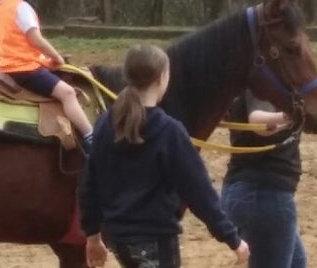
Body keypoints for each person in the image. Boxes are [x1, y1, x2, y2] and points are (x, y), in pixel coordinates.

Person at [78, 44, 250, 268]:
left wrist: (92, 235)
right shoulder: (169, 131)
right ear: (161, 78)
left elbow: (88, 184)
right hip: (156, 244)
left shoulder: (105, 124)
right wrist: (233, 239)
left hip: (119, 241)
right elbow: (198, 191)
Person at [220, 90, 304, 268]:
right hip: (264, 195)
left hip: (250, 192)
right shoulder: (261, 80)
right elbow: (257, 120)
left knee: (297, 262)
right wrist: (286, 116)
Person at [0, 0, 93, 149]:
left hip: (7, 65)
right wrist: (57, 57)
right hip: (24, 69)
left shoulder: (3, 6)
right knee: (68, 93)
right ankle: (91, 138)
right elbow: (36, 39)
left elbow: (17, 42)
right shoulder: (22, 7)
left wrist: (44, 60)